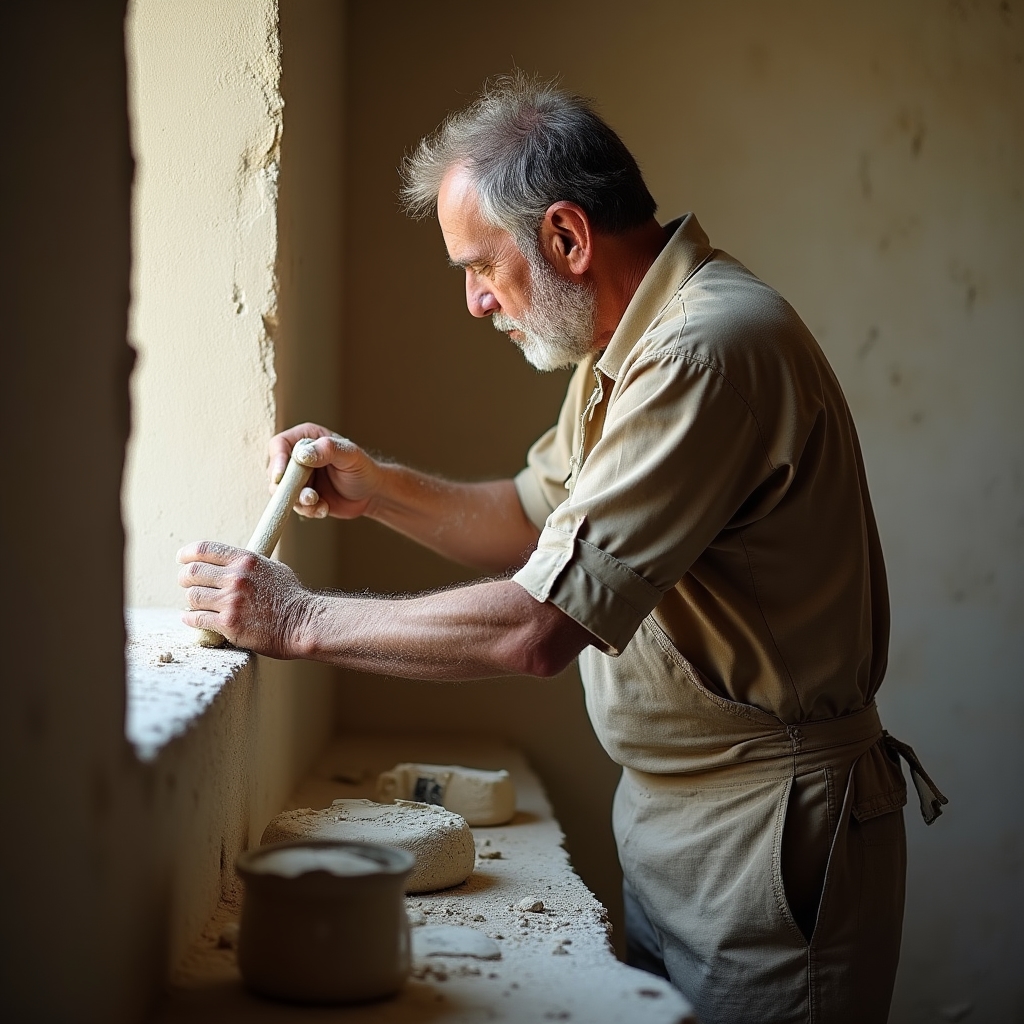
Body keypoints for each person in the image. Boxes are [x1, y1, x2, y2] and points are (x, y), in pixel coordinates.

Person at [177, 74, 945, 1024]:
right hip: (678, 817)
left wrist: (295, 619)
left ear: (568, 239)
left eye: (479, 266)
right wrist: (377, 489)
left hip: (766, 831)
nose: (474, 302)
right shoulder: (624, 346)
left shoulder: (701, 351)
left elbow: (539, 627)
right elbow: (530, 516)